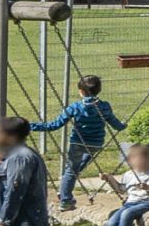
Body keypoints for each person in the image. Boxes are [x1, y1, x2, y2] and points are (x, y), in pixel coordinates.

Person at [33, 74, 124, 215]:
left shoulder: (75, 107)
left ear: (81, 91)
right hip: (95, 144)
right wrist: (122, 126)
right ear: (99, 90)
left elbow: (54, 125)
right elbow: (115, 124)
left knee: (71, 171)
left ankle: (65, 200)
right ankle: (65, 195)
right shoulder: (104, 107)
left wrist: (32, 126)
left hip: (77, 143)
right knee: (74, 171)